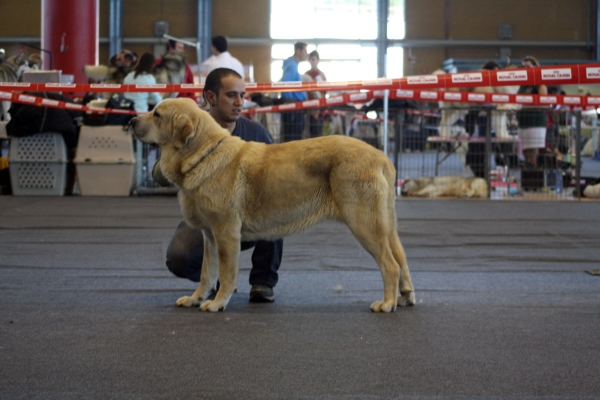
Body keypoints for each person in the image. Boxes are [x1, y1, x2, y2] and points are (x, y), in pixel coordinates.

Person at [152, 68, 283, 303]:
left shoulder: (257, 133)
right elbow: (159, 175)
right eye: (232, 95)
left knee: (275, 206)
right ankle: (216, 280)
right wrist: (172, 157)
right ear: (210, 97)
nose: (240, 102)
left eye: (243, 95)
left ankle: (262, 281)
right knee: (178, 257)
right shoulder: (185, 127)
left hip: (249, 215)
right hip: (206, 215)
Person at [516, 55, 548, 168]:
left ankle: (533, 177)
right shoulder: (522, 84)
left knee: (532, 152)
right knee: (524, 152)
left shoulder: (539, 83)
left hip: (535, 122)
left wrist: (526, 105)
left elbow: (544, 103)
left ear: (535, 67)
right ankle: (527, 177)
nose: (525, 69)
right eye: (523, 66)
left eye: (528, 66)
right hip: (523, 122)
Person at [280, 42, 308, 142]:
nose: (306, 54)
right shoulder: (292, 66)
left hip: (296, 108)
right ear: (298, 51)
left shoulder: (293, 65)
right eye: (305, 51)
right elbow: (286, 84)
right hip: (294, 110)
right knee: (293, 140)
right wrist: (290, 103)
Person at [304, 50, 326, 138]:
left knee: (318, 135)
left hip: (318, 111)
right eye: (310, 59)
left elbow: (323, 93)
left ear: (318, 60)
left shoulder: (321, 75)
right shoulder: (306, 75)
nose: (311, 62)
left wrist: (318, 109)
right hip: (307, 110)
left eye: (313, 59)